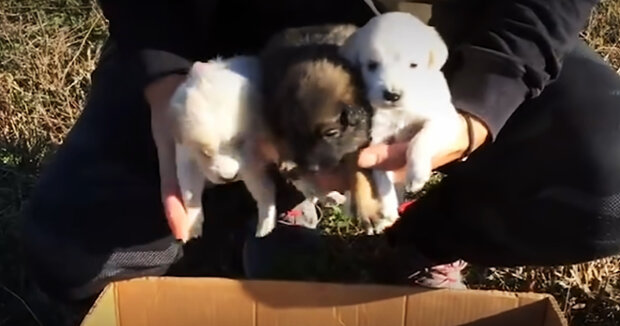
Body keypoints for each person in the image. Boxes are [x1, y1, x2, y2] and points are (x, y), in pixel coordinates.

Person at [21, 0, 619, 324]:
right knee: (80, 257)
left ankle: (426, 237)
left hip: (443, 40)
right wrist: (167, 80)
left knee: (608, 182)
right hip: (229, 44)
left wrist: (477, 110)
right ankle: (275, 199)